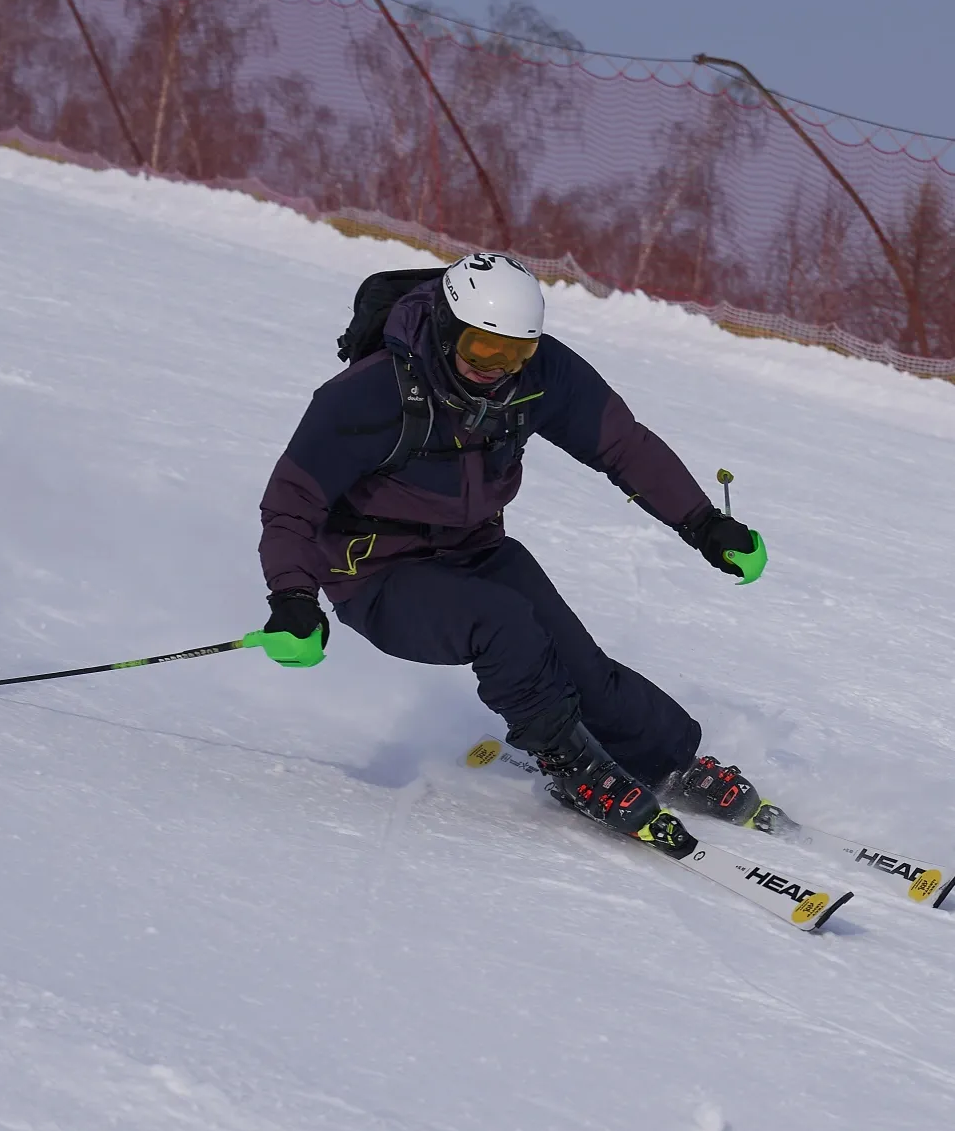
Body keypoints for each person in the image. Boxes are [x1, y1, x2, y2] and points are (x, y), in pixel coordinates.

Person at [257, 252, 768, 853]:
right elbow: (291, 501)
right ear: (447, 327)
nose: (495, 369)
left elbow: (622, 445)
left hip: (476, 548)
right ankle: (569, 762)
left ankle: (670, 761)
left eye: (515, 353)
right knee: (502, 626)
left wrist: (702, 522)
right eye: (481, 349)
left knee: (581, 666)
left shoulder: (540, 374)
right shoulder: (371, 394)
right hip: (377, 573)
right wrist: (293, 595)